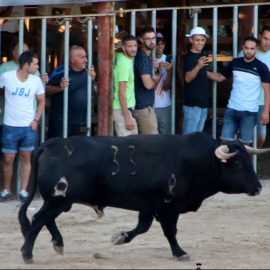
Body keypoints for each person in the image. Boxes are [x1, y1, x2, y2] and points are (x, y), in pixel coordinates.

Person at [207, 36, 270, 145]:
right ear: (243, 47)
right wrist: (202, 71)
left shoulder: (262, 67)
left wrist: (266, 112)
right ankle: (226, 162)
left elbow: (267, 91)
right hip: (232, 108)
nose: (248, 51)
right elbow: (219, 77)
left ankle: (243, 163)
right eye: (246, 48)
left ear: (256, 49)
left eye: (251, 49)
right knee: (225, 143)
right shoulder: (235, 63)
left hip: (250, 111)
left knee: (245, 145)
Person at [0, 51, 45, 202]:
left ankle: (23, 191)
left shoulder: (36, 81)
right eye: (35, 64)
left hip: (28, 125)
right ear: (26, 65)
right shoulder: (7, 76)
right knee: (8, 159)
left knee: (26, 157)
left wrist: (36, 120)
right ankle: (6, 190)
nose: (37, 67)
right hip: (10, 125)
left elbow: (42, 101)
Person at [46, 45, 96, 138]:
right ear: (72, 60)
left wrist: (92, 78)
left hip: (77, 120)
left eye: (86, 56)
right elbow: (44, 88)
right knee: (58, 148)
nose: (86, 60)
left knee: (72, 149)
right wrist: (59, 88)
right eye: (82, 57)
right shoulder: (61, 71)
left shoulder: (86, 70)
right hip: (61, 120)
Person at [238, 26, 270, 148]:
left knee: (261, 137)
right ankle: (240, 160)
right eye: (266, 38)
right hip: (245, 102)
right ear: (260, 37)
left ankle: (250, 161)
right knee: (242, 136)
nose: (268, 43)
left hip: (262, 102)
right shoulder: (246, 53)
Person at [183, 26, 210, 135]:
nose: (200, 43)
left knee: (197, 140)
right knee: (189, 139)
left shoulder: (201, 55)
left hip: (202, 105)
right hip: (192, 105)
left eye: (202, 40)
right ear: (191, 40)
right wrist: (198, 66)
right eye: (197, 40)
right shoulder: (189, 57)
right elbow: (187, 78)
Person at [134, 26, 160, 134]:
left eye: (153, 38)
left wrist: (156, 73)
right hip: (142, 107)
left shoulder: (146, 57)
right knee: (152, 142)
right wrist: (156, 79)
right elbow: (148, 84)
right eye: (148, 39)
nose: (152, 41)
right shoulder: (143, 58)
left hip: (142, 106)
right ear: (141, 40)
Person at [113, 35, 138, 136]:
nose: (133, 49)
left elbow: (115, 52)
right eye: (130, 46)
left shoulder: (120, 57)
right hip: (123, 109)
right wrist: (127, 117)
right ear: (123, 48)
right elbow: (121, 94)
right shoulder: (124, 66)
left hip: (123, 108)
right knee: (130, 146)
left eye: (135, 46)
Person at [154, 33, 173, 135]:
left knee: (165, 136)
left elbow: (166, 88)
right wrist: (157, 70)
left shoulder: (168, 59)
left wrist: (169, 72)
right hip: (148, 105)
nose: (160, 46)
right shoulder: (147, 59)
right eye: (157, 43)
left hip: (164, 104)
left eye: (162, 43)